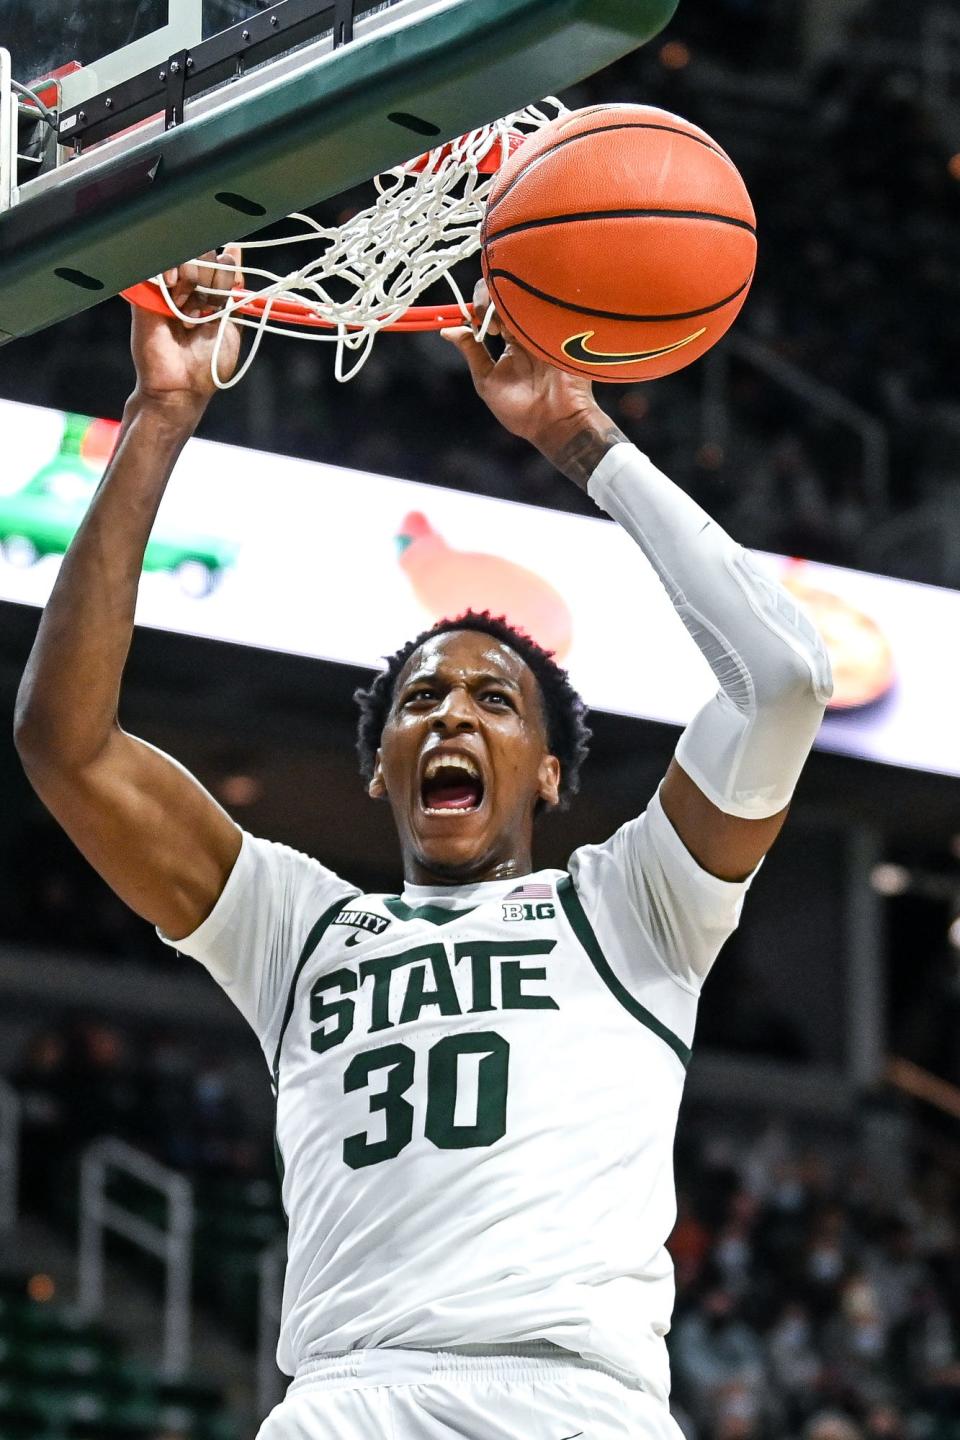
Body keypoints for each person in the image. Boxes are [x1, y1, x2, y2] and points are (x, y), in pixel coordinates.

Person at [14, 249, 832, 1440]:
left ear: (550, 775)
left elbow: (784, 681)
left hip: (572, 1404)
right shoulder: (298, 929)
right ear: (381, 763)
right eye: (420, 700)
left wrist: (582, 438)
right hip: (347, 1402)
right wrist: (159, 417)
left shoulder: (634, 908)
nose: (450, 712)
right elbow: (67, 745)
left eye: (495, 702)